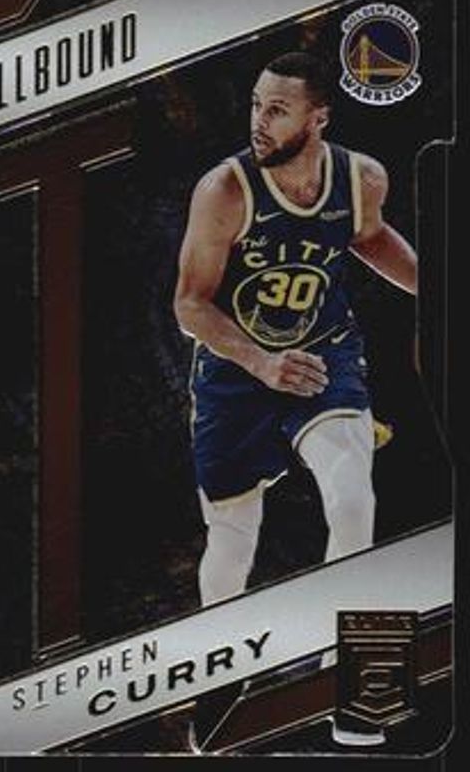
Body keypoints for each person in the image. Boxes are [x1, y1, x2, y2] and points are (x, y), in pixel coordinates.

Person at [174, 50, 417, 750]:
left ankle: (348, 681)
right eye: (256, 104)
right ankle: (221, 682)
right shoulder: (223, 190)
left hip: (322, 355)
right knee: (232, 538)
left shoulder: (360, 178)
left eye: (276, 109)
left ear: (318, 118)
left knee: (353, 499)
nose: (258, 120)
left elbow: (368, 237)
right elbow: (189, 304)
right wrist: (260, 361)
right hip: (236, 371)